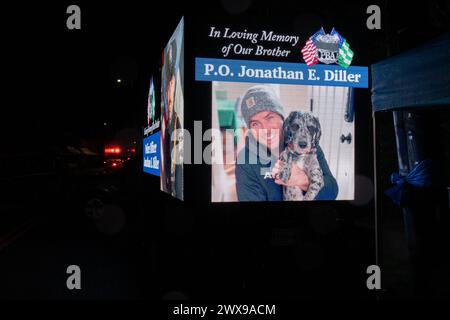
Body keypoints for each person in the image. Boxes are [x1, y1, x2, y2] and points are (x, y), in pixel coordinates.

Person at [235, 85, 338, 201]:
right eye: (255, 124)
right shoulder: (245, 161)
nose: (266, 130)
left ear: (282, 118)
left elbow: (332, 191)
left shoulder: (305, 144)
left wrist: (303, 180)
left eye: (269, 118)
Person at [161, 39, 183, 199]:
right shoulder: (166, 124)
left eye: (172, 83)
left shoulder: (179, 124)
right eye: (167, 85)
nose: (169, 90)